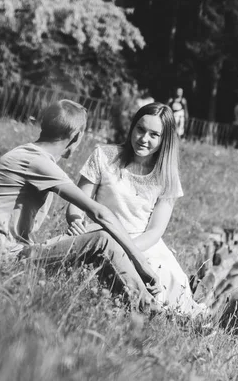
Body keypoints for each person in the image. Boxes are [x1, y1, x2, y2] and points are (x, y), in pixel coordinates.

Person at [0, 99, 161, 310]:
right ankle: (149, 309)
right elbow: (100, 212)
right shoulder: (37, 162)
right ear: (76, 136)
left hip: (3, 252)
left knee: (94, 238)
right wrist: (142, 264)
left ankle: (127, 306)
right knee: (101, 240)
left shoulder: (27, 154)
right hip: (2, 257)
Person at [66, 102, 207, 317]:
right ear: (132, 127)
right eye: (140, 129)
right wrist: (75, 220)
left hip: (142, 243)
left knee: (168, 282)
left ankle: (170, 319)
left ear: (164, 140)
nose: (144, 139)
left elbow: (155, 230)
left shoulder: (166, 176)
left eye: (154, 134)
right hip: (100, 234)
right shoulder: (104, 156)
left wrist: (128, 250)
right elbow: (77, 202)